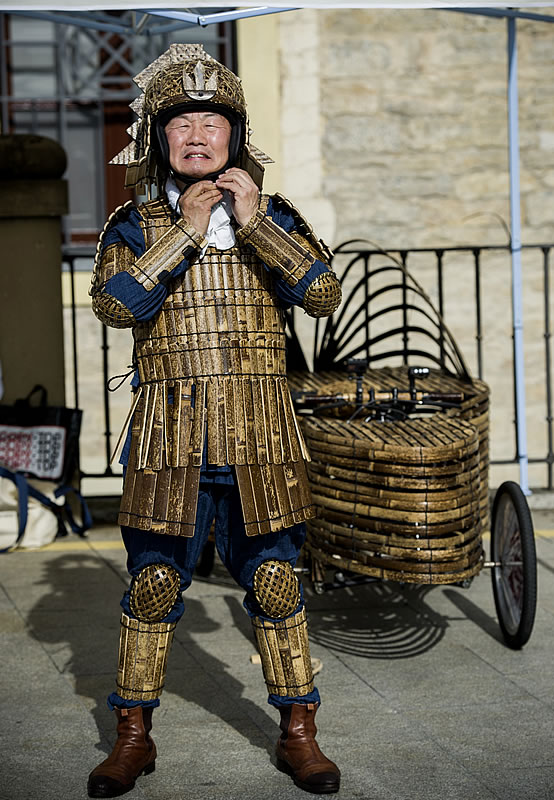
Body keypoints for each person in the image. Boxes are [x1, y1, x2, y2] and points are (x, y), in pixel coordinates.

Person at [87, 43, 342, 798]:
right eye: (181, 125)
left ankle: (300, 733)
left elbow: (322, 295)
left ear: (235, 134)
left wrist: (256, 224)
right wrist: (184, 235)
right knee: (153, 584)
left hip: (261, 434)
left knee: (274, 582)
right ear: (158, 137)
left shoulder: (279, 213)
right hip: (171, 435)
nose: (197, 137)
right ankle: (133, 737)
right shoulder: (133, 223)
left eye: (212, 122)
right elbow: (114, 304)